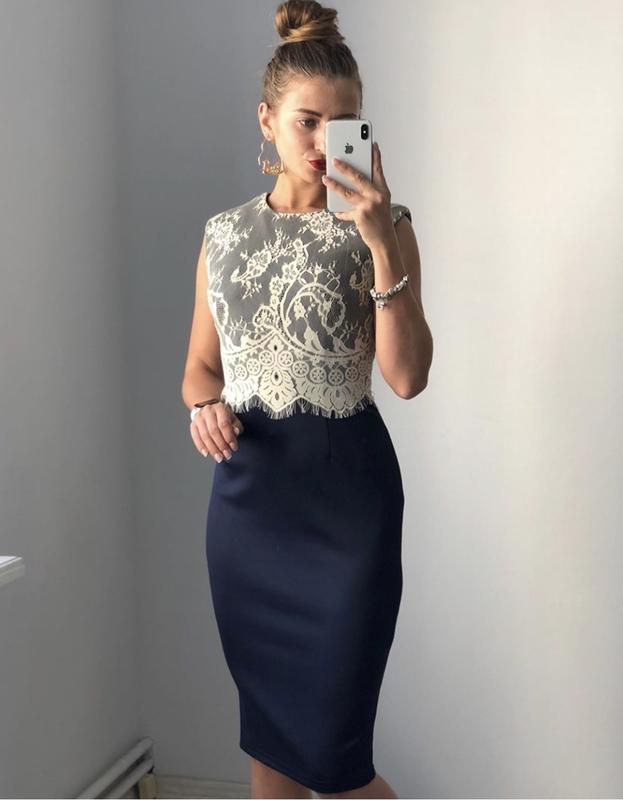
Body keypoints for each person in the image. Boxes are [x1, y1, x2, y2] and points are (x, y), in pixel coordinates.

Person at [181, 1, 433, 797]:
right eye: (307, 121)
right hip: (249, 511)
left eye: (344, 123)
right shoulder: (223, 234)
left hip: (345, 507)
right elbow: (198, 368)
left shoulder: (386, 225)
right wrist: (204, 409)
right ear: (267, 121)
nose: (326, 140)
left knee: (337, 765)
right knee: (273, 751)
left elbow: (407, 377)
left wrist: (377, 238)